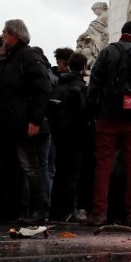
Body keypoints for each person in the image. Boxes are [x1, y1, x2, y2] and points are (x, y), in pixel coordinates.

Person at [85, 20, 131, 227]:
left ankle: (99, 212)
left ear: (122, 33)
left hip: (107, 118)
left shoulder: (107, 52)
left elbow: (94, 86)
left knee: (103, 165)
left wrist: (93, 112)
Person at [0, 19, 53, 224]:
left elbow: (43, 89)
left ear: (14, 34)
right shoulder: (9, 60)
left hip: (22, 123)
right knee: (6, 168)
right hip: (5, 123)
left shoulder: (28, 56)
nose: (2, 35)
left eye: (5, 31)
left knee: (30, 167)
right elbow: (1, 90)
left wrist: (35, 120)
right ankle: (6, 209)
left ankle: (38, 211)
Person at [48, 52, 89, 222]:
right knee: (73, 175)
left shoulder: (58, 85)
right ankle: (68, 209)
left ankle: (56, 210)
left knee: (59, 173)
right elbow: (84, 113)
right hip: (76, 135)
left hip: (59, 134)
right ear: (84, 67)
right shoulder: (81, 88)